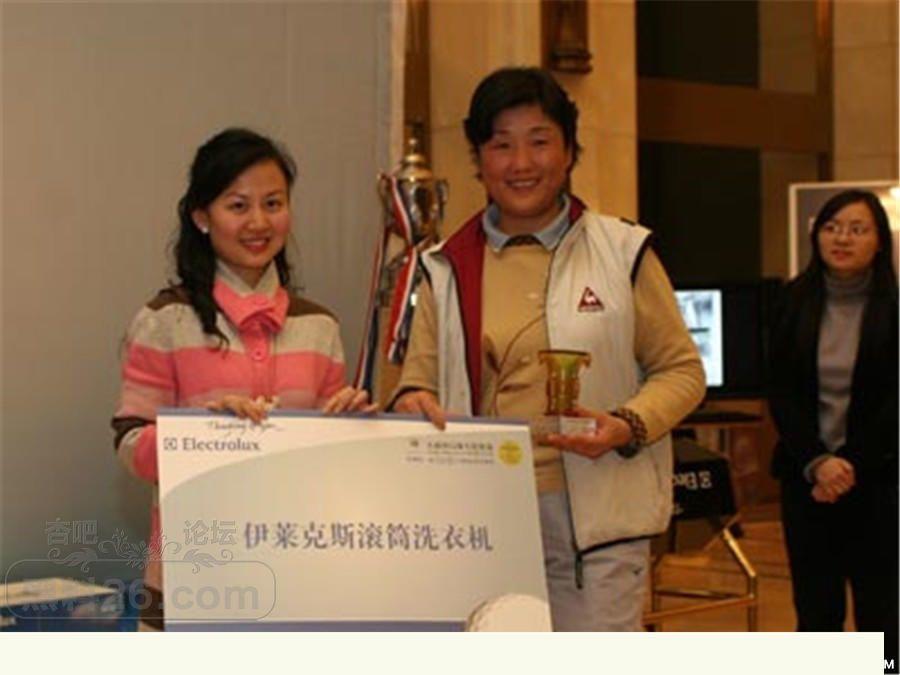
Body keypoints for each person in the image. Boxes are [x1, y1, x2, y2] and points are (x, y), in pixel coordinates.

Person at [391, 67, 705, 631]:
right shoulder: (446, 266)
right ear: (478, 159)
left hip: (597, 526)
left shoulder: (623, 251)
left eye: (539, 141)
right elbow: (418, 383)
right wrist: (412, 401)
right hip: (484, 521)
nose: (521, 163)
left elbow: (682, 371)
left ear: (569, 151)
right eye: (501, 145)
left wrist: (627, 424)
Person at [111, 128, 371, 630]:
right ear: (202, 217)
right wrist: (205, 436)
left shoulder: (319, 326)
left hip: (300, 576)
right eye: (237, 206)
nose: (258, 222)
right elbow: (129, 440)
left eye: (273, 204)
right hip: (189, 579)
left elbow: (329, 461)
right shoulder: (165, 320)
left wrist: (355, 428)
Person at [768, 189, 898, 653]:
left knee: (883, 616)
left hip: (880, 481)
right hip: (807, 480)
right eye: (832, 227)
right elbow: (780, 390)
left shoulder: (894, 308)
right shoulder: (791, 301)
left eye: (857, 229)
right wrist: (818, 462)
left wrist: (848, 465)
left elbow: (894, 403)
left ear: (879, 242)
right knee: (816, 613)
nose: (842, 238)